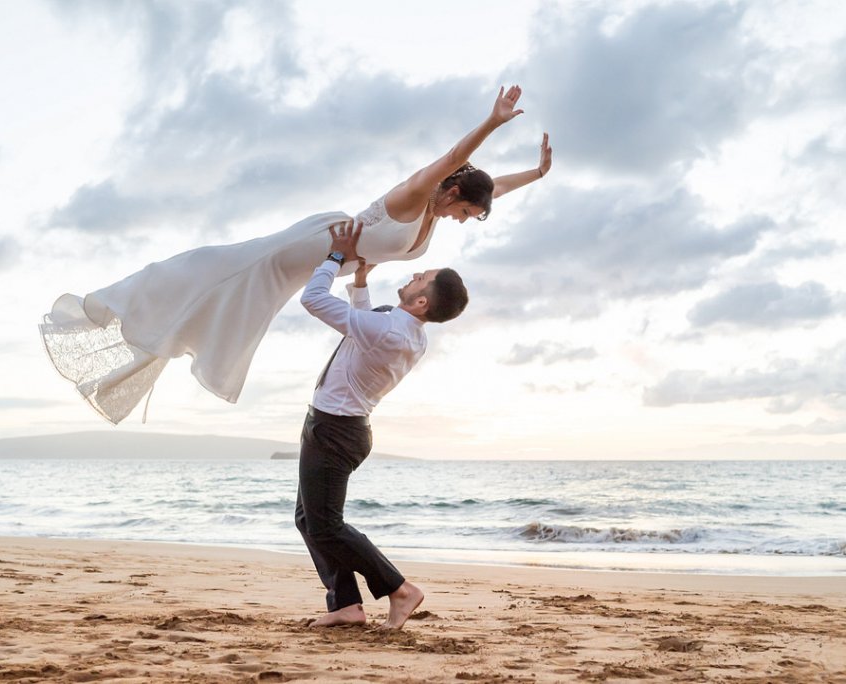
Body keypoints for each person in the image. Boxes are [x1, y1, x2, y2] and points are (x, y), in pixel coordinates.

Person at [40, 85, 550, 424]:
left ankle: (156, 332)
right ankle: (118, 306)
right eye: (464, 212)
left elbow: (494, 185)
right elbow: (455, 159)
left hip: (336, 256)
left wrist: (537, 174)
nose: (461, 221)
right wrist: (492, 122)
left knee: (232, 301)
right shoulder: (417, 194)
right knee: (219, 274)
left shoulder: (436, 215)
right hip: (319, 244)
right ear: (452, 192)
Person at [296, 218, 468, 629]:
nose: (414, 274)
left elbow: (313, 299)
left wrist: (335, 256)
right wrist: (359, 282)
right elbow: (364, 329)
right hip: (341, 427)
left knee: (326, 524)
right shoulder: (407, 332)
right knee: (310, 520)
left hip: (334, 430)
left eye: (421, 277)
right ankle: (346, 606)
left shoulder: (390, 329)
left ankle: (400, 589)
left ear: (422, 302)